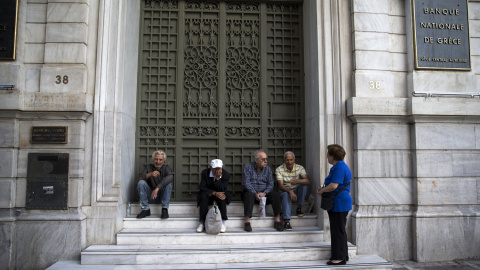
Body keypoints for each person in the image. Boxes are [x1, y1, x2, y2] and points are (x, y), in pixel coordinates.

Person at [317, 144, 352, 266]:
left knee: (337, 231)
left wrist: (322, 190)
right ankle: (343, 255)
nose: (327, 156)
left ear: (332, 156)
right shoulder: (340, 166)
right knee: (340, 230)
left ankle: (338, 258)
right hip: (340, 202)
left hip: (339, 203)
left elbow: (334, 185)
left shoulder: (339, 167)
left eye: (328, 154)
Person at [242, 149, 283, 232]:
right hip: (251, 194)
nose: (265, 161)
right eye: (263, 159)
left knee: (275, 194)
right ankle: (247, 221)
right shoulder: (248, 167)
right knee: (248, 194)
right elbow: (246, 183)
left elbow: (271, 184)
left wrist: (264, 193)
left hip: (264, 194)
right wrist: (255, 193)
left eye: (266, 159)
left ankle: (278, 220)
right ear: (256, 160)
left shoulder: (267, 169)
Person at [276, 151, 310, 231]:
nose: (289, 162)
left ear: (294, 160)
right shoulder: (279, 169)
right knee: (285, 194)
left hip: (296, 190)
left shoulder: (300, 167)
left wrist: (297, 181)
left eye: (291, 160)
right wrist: (290, 191)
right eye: (287, 160)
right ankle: (286, 221)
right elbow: (281, 185)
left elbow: (307, 181)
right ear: (284, 160)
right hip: (285, 191)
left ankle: (299, 208)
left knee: (303, 185)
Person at [135, 150, 173, 219]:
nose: (158, 162)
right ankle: (145, 209)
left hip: (162, 197)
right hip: (151, 196)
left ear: (164, 161)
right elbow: (138, 180)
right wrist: (149, 174)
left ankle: (164, 209)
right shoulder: (148, 167)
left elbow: (170, 177)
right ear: (153, 159)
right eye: (156, 159)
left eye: (160, 160)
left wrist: (157, 188)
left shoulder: (167, 168)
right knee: (141, 182)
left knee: (168, 184)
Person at [196, 159, 230, 233]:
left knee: (222, 196)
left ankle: (223, 222)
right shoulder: (205, 173)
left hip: (220, 193)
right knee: (203, 196)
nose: (217, 170)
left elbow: (223, 188)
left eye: (219, 168)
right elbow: (202, 187)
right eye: (215, 169)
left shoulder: (225, 174)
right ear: (211, 167)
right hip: (209, 194)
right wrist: (214, 193)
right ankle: (202, 222)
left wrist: (218, 179)